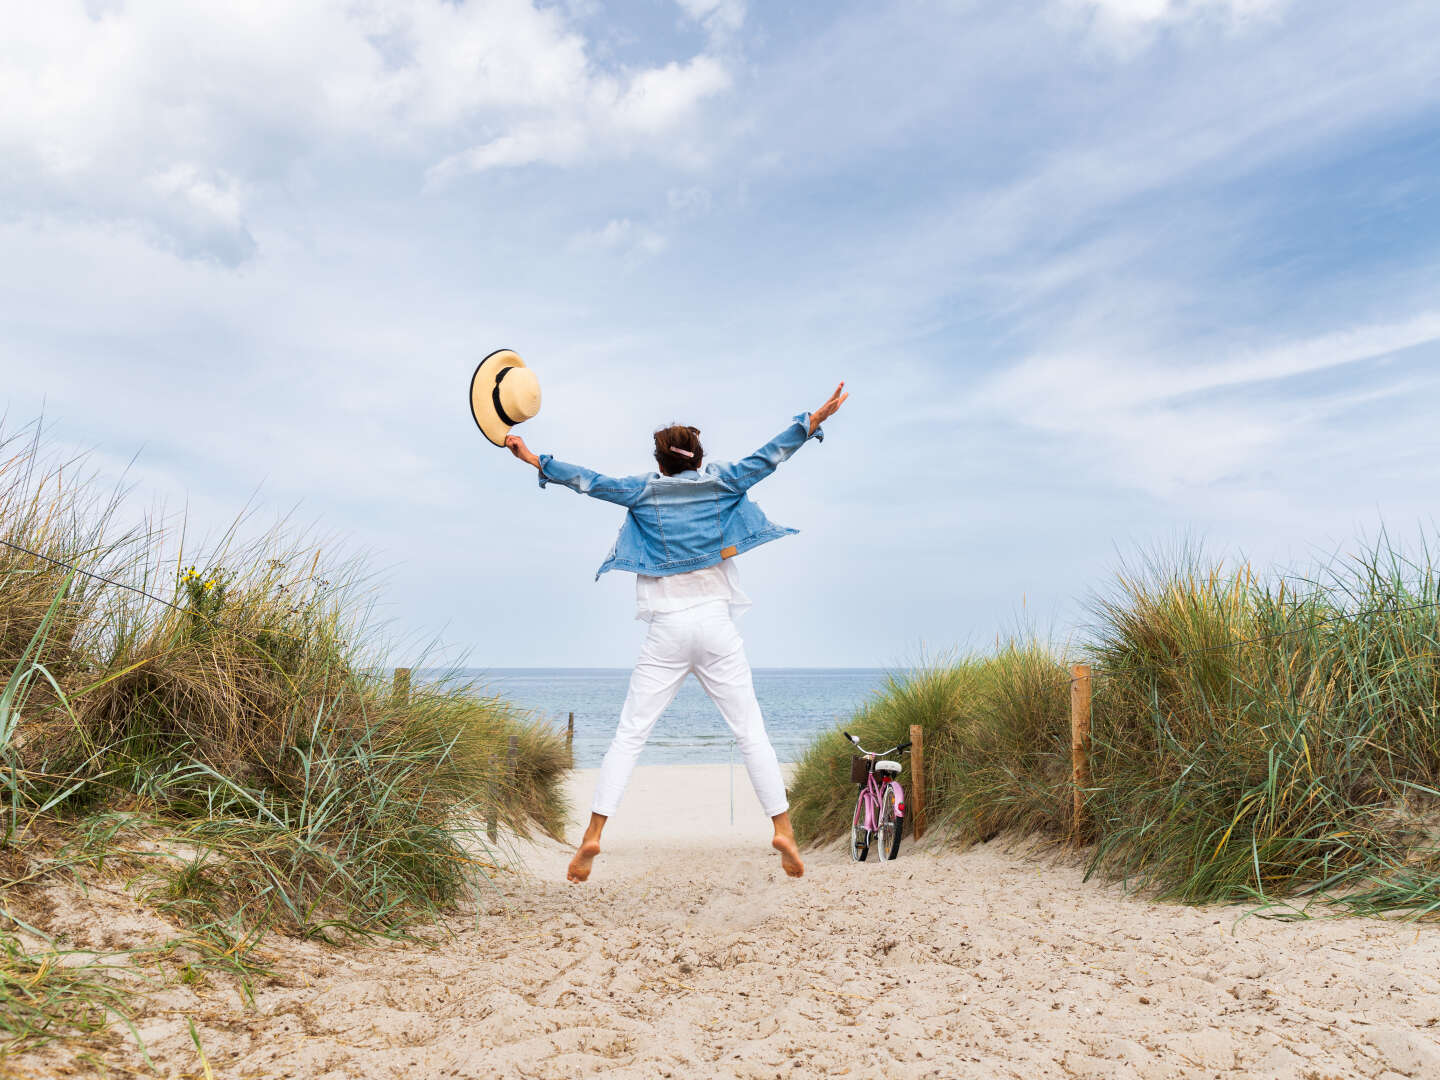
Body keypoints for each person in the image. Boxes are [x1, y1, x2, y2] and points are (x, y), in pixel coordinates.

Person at [504, 383, 849, 882]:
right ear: (698, 459)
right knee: (751, 732)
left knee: (629, 735)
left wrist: (533, 457)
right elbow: (770, 456)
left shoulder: (643, 490)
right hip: (716, 626)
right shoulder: (723, 483)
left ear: (661, 463)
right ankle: (784, 832)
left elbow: (588, 480)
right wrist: (814, 418)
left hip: (666, 629)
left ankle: (593, 836)